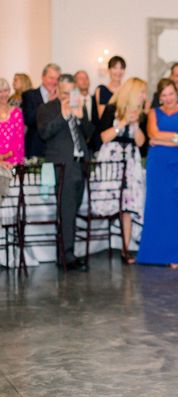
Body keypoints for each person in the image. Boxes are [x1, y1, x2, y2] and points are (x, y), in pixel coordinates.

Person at [137, 79, 178, 268]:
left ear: (177, 93)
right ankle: (155, 254)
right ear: (159, 97)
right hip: (158, 164)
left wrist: (165, 139)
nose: (168, 98)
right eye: (164, 95)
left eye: (171, 93)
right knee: (157, 205)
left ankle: (177, 254)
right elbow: (152, 135)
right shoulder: (153, 113)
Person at [37, 74, 95, 270]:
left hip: (80, 164)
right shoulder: (46, 109)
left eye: (72, 93)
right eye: (65, 93)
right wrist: (63, 116)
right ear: (56, 90)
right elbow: (44, 133)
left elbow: (89, 134)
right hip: (62, 166)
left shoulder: (80, 106)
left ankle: (65, 252)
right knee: (66, 209)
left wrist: (80, 118)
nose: (68, 97)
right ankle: (66, 255)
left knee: (74, 208)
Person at [97, 77, 147, 265]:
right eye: (142, 92)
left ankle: (126, 249)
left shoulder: (139, 113)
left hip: (131, 160)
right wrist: (124, 122)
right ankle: (109, 245)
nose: (144, 96)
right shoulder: (111, 109)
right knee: (114, 202)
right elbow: (103, 136)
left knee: (128, 206)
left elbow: (142, 142)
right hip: (112, 160)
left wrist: (134, 126)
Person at [22, 63, 61, 157]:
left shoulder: (61, 98)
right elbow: (29, 119)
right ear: (43, 77)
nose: (54, 82)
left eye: (57, 79)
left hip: (56, 149)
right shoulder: (29, 95)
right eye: (51, 78)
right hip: (36, 147)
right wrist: (48, 103)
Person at [74, 70, 100, 152]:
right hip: (78, 146)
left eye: (86, 78)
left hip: (95, 146)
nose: (84, 81)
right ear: (75, 83)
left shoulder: (97, 101)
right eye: (81, 78)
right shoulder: (72, 103)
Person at [0, 78, 25, 164]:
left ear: (9, 91)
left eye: (6, 90)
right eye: (0, 91)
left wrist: (4, 156)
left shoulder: (16, 113)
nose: (3, 94)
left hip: (13, 160)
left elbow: (19, 140)